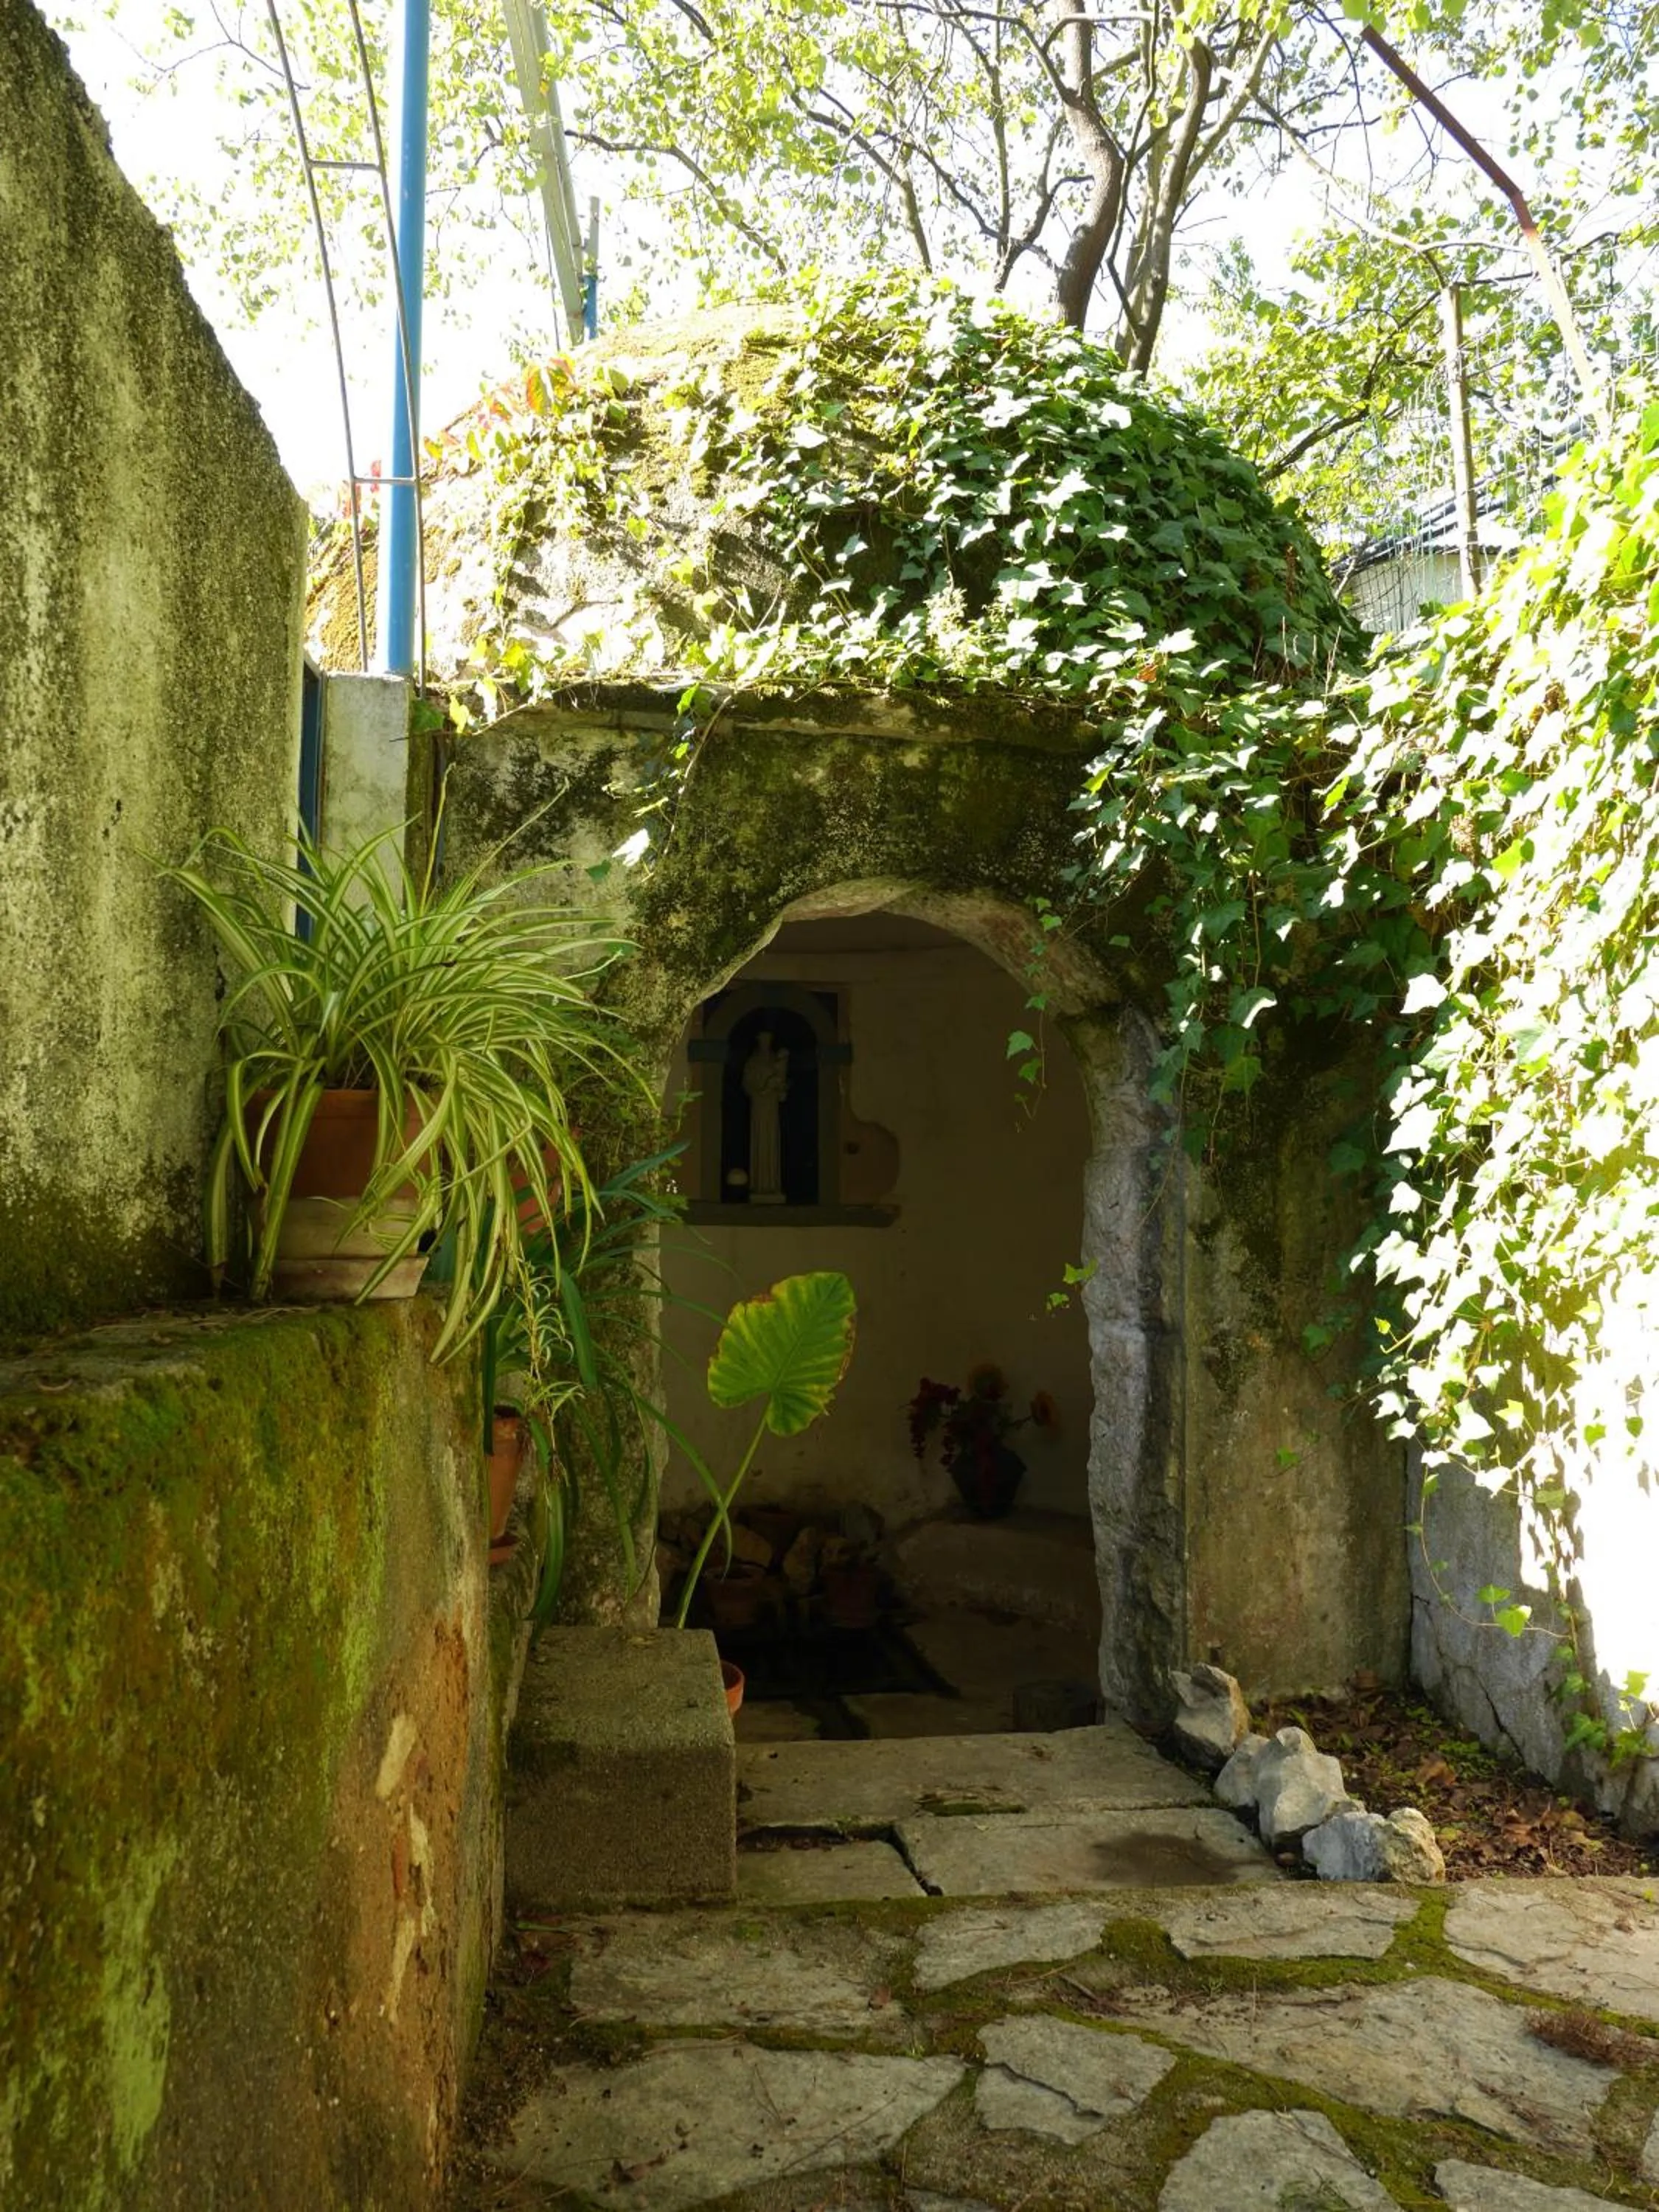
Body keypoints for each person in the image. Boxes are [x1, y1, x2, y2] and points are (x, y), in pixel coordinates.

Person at [742, 1031, 789, 1203]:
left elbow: (783, 1089)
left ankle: (772, 1184)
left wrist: (779, 1088)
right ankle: (758, 1184)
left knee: (771, 1140)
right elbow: (746, 1084)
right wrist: (760, 1091)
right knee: (759, 1140)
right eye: (763, 1039)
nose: (765, 1043)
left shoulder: (776, 1060)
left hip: (771, 1106)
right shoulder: (752, 1062)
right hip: (758, 1106)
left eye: (768, 1040)